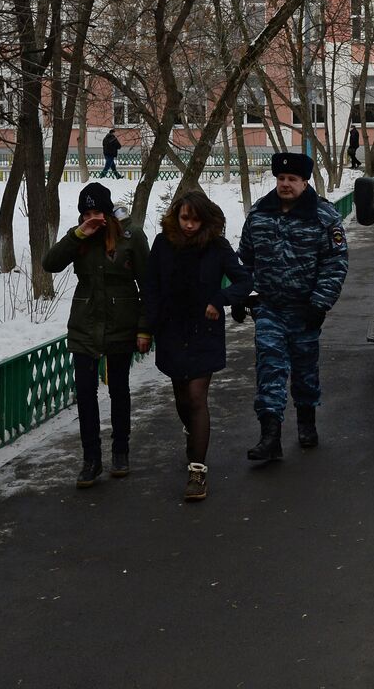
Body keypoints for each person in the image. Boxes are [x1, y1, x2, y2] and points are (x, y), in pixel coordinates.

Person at [239, 152, 349, 461]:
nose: (285, 185)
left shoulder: (324, 216)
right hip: (270, 308)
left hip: (305, 309)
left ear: (304, 181)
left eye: (292, 180)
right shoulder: (260, 214)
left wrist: (319, 304)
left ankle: (306, 421)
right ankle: (270, 435)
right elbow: (244, 259)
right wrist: (245, 295)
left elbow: (335, 263)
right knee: (269, 368)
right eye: (281, 179)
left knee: (304, 370)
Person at [144, 191, 251, 501]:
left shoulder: (217, 246)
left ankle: (197, 471)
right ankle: (192, 433)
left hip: (205, 331)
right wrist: (149, 325)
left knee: (196, 396)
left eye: (195, 219)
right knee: (182, 398)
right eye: (184, 218)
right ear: (176, 217)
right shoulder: (163, 244)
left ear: (205, 219)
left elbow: (244, 280)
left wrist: (221, 299)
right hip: (172, 330)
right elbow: (151, 285)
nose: (189, 225)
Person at [42, 182, 150, 488]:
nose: (93, 218)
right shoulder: (79, 239)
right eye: (86, 213)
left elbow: (148, 286)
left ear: (108, 212)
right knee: (86, 395)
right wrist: (77, 235)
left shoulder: (132, 238)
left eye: (97, 212)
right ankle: (91, 459)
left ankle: (120, 452)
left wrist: (144, 327)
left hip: (121, 325)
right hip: (84, 327)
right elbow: (49, 264)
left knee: (119, 390)